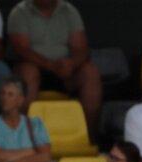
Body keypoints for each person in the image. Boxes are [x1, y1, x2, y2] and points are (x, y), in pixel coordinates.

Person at [8, 0, 101, 135]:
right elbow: (21, 50)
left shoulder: (69, 11)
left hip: (65, 72)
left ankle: (89, 135)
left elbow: (81, 48)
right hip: (33, 68)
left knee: (91, 72)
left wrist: (71, 64)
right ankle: (21, 136)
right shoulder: (20, 12)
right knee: (29, 72)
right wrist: (50, 65)